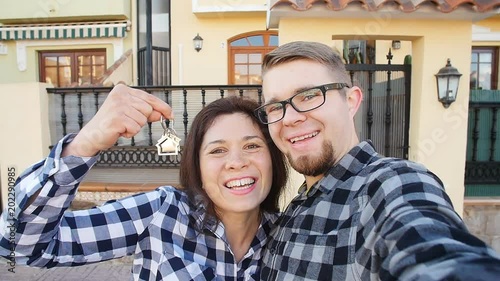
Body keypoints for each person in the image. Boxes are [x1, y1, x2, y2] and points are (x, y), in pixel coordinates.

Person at [254, 41, 500, 280]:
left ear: (351, 101)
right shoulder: (296, 207)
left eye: (308, 96)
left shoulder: (390, 184)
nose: (289, 118)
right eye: (275, 107)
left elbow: (433, 249)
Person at [0, 85, 288, 280]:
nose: (236, 162)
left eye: (252, 146)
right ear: (197, 169)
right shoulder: (162, 213)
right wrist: (85, 143)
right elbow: (19, 244)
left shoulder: (290, 236)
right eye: (217, 150)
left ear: (273, 159)